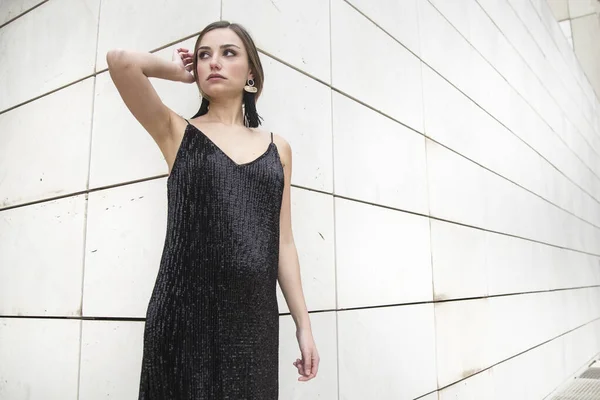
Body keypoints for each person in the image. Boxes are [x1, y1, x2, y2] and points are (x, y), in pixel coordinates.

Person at [106, 20, 319, 399]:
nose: (213, 62)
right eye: (204, 55)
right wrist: (176, 72)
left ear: (251, 74)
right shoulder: (176, 132)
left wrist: (303, 324)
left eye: (228, 53)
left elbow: (283, 244)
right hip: (184, 316)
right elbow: (120, 62)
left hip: (253, 323)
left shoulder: (278, 149)